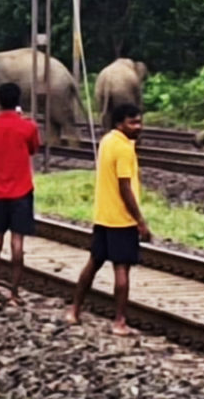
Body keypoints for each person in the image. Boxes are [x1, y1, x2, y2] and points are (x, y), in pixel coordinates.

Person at [65, 104, 150, 336]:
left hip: (103, 216)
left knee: (93, 263)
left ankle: (74, 311)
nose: (138, 127)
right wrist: (140, 221)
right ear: (119, 123)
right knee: (122, 269)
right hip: (121, 219)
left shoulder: (107, 141)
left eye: (139, 122)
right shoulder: (124, 148)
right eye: (133, 123)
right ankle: (119, 322)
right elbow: (125, 187)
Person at [0, 82, 41, 308]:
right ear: (18, 101)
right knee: (17, 242)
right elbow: (34, 148)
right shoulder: (28, 127)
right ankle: (15, 293)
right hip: (22, 191)